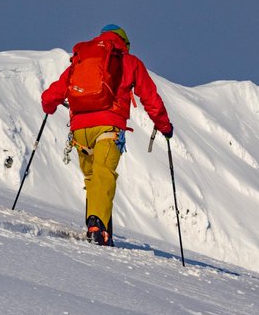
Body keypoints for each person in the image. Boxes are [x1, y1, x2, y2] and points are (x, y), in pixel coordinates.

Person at [41, 24, 173, 245]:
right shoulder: (129, 62)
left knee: (93, 179)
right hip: (108, 128)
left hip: (79, 130)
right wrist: (165, 126)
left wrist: (49, 107)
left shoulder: (82, 59)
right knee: (104, 175)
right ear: (125, 43)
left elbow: (51, 95)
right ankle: (97, 227)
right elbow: (150, 98)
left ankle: (97, 226)